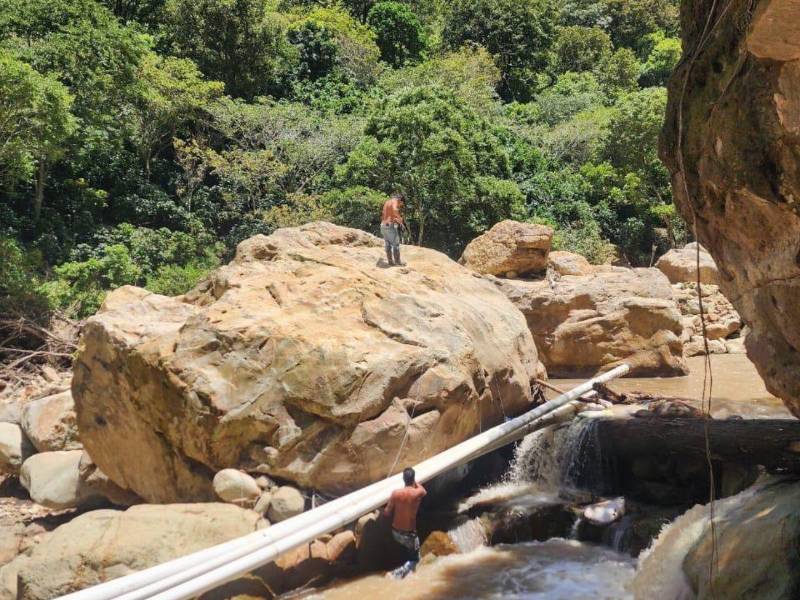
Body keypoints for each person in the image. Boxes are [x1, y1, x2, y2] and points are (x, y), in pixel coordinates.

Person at [384, 467, 426, 578]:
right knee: (415, 559)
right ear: (413, 479)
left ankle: (402, 570)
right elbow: (423, 490)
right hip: (410, 536)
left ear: (403, 479)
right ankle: (396, 574)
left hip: (396, 533)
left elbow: (386, 513)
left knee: (406, 551)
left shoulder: (395, 493)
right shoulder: (417, 493)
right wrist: (414, 482)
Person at [380, 193, 406, 266]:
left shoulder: (387, 202)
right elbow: (395, 210)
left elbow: (387, 215)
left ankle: (390, 262)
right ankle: (398, 262)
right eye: (401, 204)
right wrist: (400, 218)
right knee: (396, 244)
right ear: (400, 200)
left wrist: (397, 220)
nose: (400, 206)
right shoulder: (395, 201)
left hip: (383, 225)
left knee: (388, 244)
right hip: (389, 226)